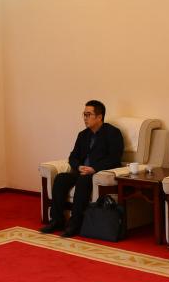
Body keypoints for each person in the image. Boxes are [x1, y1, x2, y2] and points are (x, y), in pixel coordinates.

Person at [40, 100, 124, 237]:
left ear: (99, 117)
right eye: (84, 114)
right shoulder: (83, 135)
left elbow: (114, 158)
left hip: (97, 173)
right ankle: (57, 220)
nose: (85, 118)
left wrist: (94, 168)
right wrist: (78, 166)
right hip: (81, 171)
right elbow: (73, 157)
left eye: (88, 115)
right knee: (61, 178)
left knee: (83, 181)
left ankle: (75, 223)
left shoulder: (113, 133)